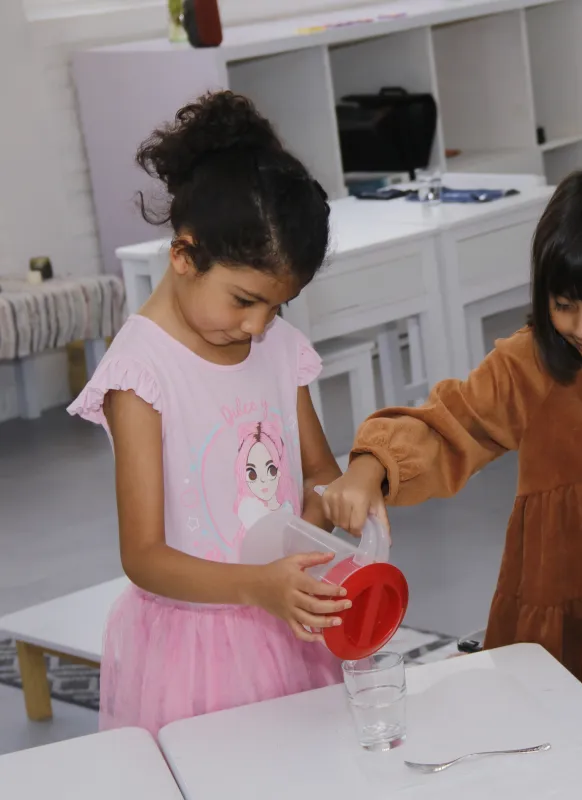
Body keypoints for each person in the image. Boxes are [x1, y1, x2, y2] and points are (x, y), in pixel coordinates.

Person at [321, 166, 582, 750]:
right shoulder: (531, 365)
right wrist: (372, 464)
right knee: (558, 747)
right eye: (564, 305)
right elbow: (452, 425)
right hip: (562, 598)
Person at [68, 91, 347, 735]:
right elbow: (143, 555)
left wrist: (340, 501)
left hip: (286, 623)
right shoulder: (142, 373)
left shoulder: (274, 346)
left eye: (277, 307)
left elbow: (317, 473)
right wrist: (258, 585)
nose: (258, 325)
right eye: (245, 300)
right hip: (195, 651)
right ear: (185, 256)